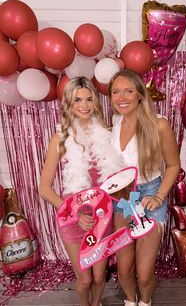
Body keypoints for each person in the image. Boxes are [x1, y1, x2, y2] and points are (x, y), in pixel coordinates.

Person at [39, 76, 124, 306]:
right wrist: (76, 214)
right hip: (72, 217)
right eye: (77, 100)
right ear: (69, 103)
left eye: (89, 99)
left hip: (101, 217)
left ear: (95, 102)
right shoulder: (61, 139)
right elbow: (44, 188)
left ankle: (96, 304)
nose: (84, 105)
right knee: (85, 278)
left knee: (98, 276)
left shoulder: (107, 134)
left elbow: (118, 177)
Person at [108, 69, 181, 306]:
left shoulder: (158, 125)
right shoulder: (115, 123)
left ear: (140, 94)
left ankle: (145, 302)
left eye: (129, 90)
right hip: (122, 200)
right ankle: (130, 301)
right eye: (116, 92)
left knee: (144, 271)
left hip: (151, 196)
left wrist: (159, 197)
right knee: (124, 268)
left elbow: (173, 166)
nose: (122, 97)